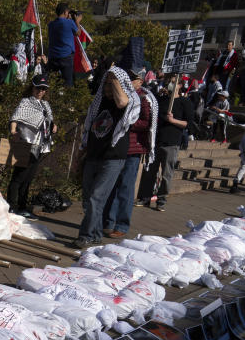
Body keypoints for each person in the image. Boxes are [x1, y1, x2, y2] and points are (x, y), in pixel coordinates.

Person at [72, 42, 141, 249]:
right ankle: (94, 235)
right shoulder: (100, 102)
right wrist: (81, 152)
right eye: (106, 83)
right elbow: (89, 127)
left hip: (113, 157)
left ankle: (85, 235)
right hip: (93, 153)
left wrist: (115, 78)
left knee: (96, 198)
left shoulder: (128, 103)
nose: (109, 87)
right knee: (88, 199)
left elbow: (122, 102)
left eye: (113, 84)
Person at [102, 67, 155, 237]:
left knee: (125, 187)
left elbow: (147, 122)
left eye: (134, 79)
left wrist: (127, 123)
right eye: (129, 78)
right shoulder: (121, 95)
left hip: (133, 148)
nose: (130, 81)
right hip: (117, 146)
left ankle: (122, 225)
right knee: (112, 185)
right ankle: (108, 222)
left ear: (140, 81)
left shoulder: (144, 98)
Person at [137, 80, 193, 211]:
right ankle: (145, 197)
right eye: (171, 81)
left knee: (167, 174)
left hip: (172, 143)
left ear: (180, 86)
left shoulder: (185, 103)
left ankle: (161, 200)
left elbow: (188, 123)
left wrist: (173, 120)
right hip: (156, 141)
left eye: (175, 82)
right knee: (150, 171)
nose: (172, 84)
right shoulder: (161, 100)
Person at [5, 74, 54, 219]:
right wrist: (13, 131)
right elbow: (16, 117)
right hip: (25, 143)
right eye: (38, 88)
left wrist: (53, 126)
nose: (41, 91)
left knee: (28, 177)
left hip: (39, 145)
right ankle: (12, 206)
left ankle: (22, 206)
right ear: (32, 87)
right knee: (19, 176)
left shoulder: (45, 105)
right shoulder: (26, 102)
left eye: (44, 89)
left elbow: (48, 122)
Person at [46, 3, 81, 87]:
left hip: (53, 57)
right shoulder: (69, 22)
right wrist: (77, 21)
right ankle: (66, 98)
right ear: (65, 12)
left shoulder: (51, 24)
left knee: (51, 81)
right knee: (67, 83)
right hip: (66, 57)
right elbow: (78, 33)